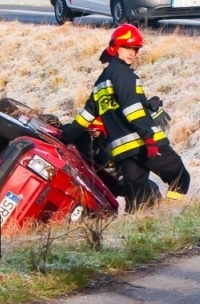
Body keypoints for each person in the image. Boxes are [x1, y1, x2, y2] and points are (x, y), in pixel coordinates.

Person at [73, 24, 190, 209]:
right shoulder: (126, 76)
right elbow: (131, 109)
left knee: (138, 203)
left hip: (124, 152)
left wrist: (63, 135)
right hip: (145, 143)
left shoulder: (101, 81)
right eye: (127, 48)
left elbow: (84, 118)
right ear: (114, 47)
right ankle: (172, 216)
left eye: (135, 49)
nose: (132, 53)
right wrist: (149, 138)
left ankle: (139, 230)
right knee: (180, 177)